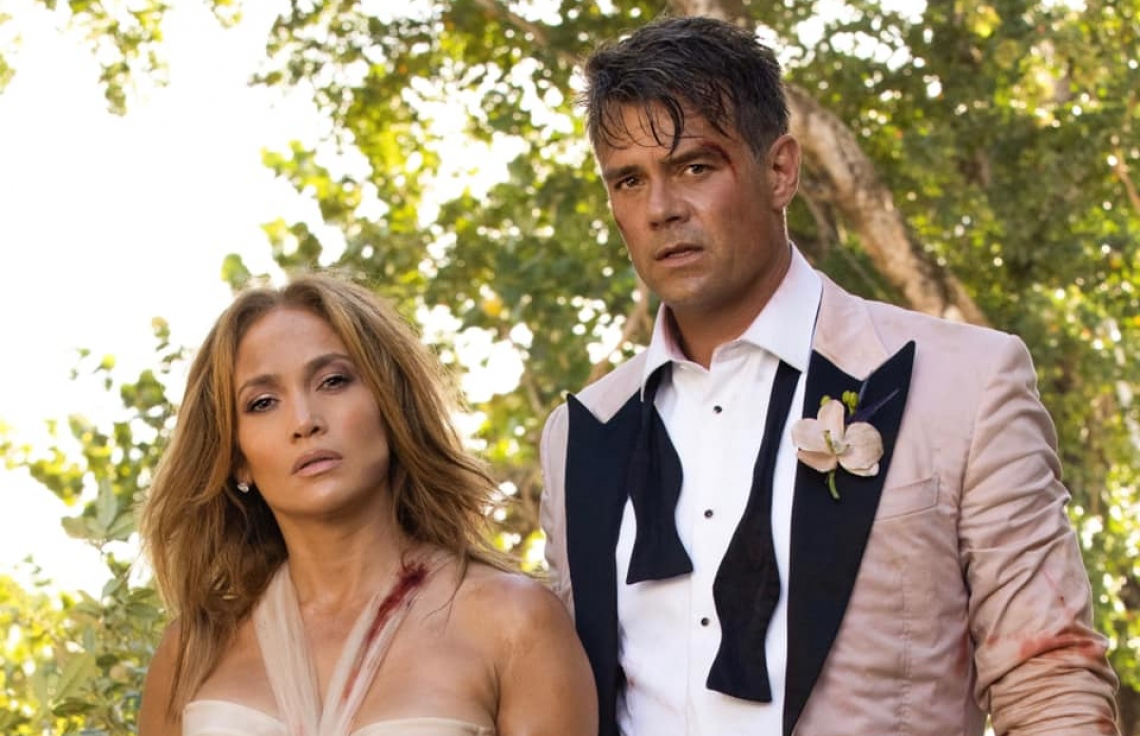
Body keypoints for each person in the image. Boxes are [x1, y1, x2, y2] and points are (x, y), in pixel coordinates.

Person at [539, 14, 1120, 736]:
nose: (661, 209)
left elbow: (1051, 680)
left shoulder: (965, 385)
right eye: (629, 180)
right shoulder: (580, 435)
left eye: (696, 167)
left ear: (780, 170)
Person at [138, 273, 597, 736]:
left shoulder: (515, 623)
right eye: (262, 403)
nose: (304, 421)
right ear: (237, 458)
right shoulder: (190, 654)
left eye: (333, 381)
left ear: (390, 405)